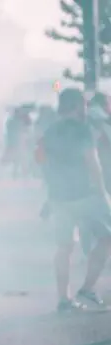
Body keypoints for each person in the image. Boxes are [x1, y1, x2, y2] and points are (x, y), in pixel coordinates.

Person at [41, 88, 111, 311]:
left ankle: (64, 299)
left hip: (59, 197)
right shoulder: (83, 130)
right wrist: (103, 194)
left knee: (64, 247)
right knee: (107, 237)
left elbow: (43, 163)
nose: (86, 108)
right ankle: (88, 288)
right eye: (83, 103)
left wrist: (49, 195)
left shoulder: (50, 131)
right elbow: (94, 164)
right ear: (76, 105)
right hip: (84, 195)